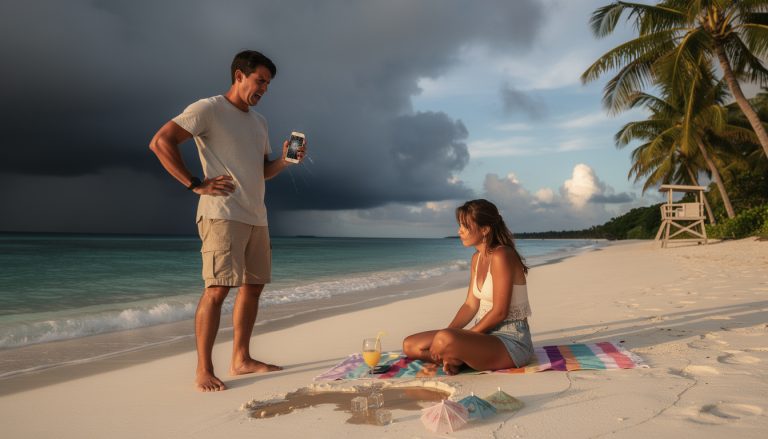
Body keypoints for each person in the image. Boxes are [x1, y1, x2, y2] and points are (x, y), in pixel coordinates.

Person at [149, 50, 304, 392]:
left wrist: (284, 161)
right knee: (217, 289)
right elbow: (161, 142)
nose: (264, 88)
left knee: (253, 287)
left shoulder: (259, 122)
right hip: (221, 214)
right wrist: (195, 184)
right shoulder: (208, 108)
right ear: (239, 76)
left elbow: (261, 171)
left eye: (268, 83)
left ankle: (241, 359)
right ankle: (203, 369)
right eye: (260, 80)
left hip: (256, 216)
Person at [402, 199, 533, 374]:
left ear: (485, 229)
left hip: (511, 340)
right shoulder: (476, 258)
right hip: (483, 334)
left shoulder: (502, 255)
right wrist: (451, 334)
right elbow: (470, 305)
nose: (459, 231)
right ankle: (455, 358)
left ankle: (455, 357)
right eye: (460, 225)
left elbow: (500, 312)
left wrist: (460, 337)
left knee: (444, 340)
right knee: (410, 345)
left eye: (464, 225)